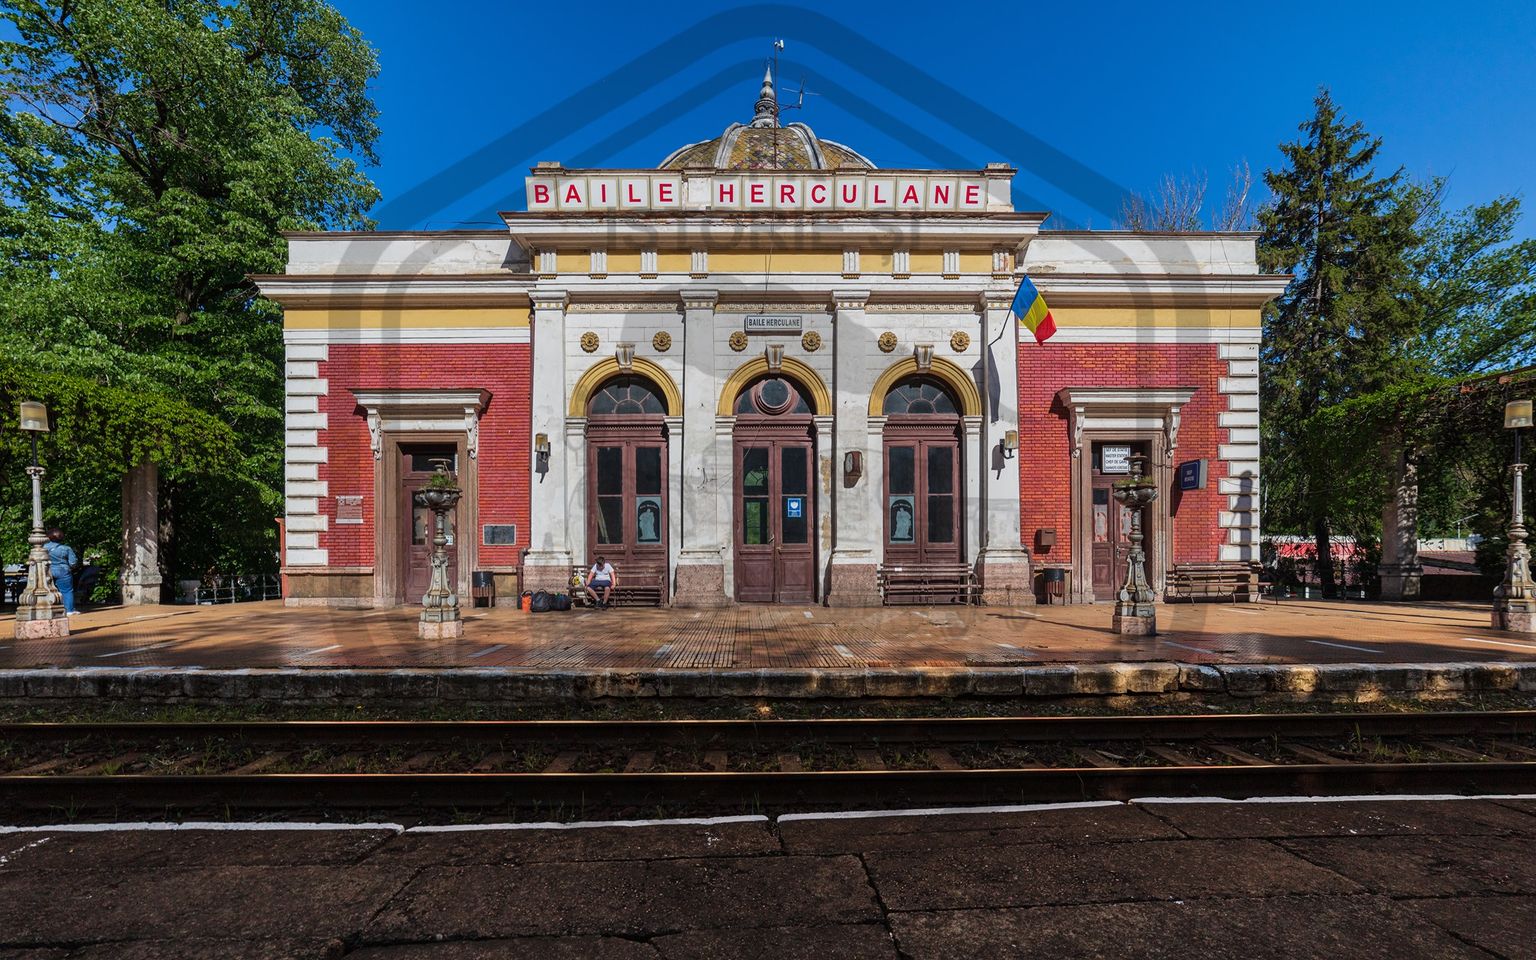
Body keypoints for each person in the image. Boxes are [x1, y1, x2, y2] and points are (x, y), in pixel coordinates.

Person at [44, 528, 80, 616]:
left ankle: (48, 609)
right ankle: (69, 610)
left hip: (47, 571)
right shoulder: (66, 548)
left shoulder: (43, 548)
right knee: (67, 591)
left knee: (46, 591)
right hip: (63, 571)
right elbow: (73, 563)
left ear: (49, 537)